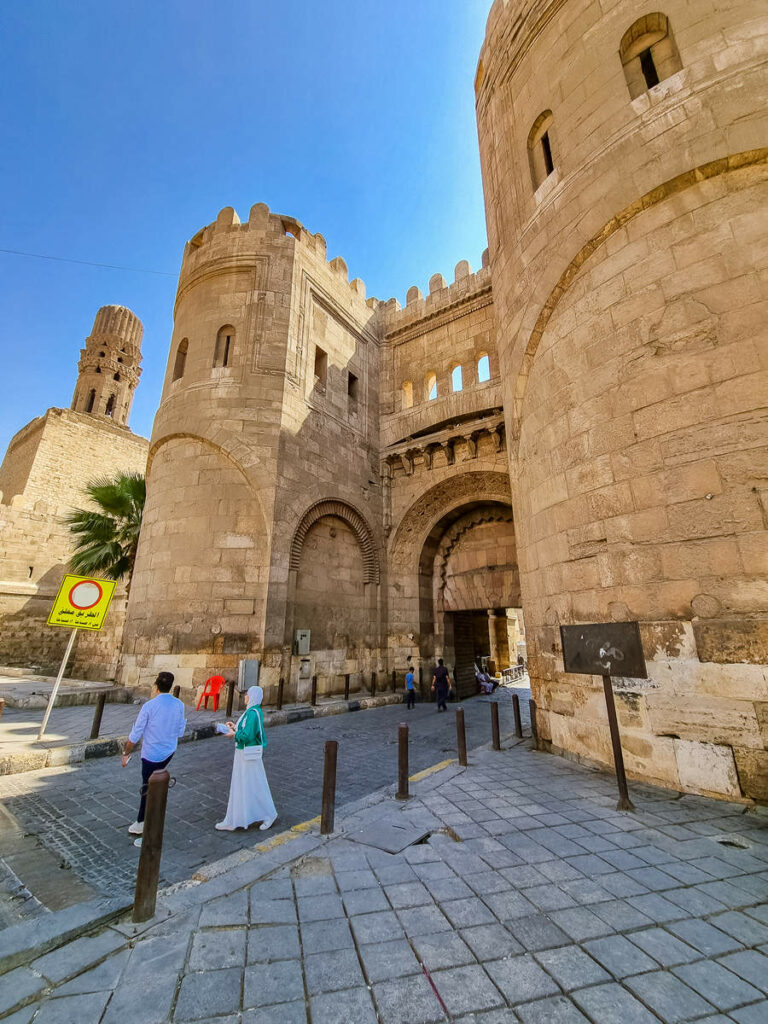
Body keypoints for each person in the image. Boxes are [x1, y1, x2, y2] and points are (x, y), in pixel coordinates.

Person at [122, 671, 186, 847]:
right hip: (168, 752)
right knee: (150, 787)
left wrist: (126, 753)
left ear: (156, 687)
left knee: (149, 791)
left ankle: (149, 831)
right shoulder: (179, 705)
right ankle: (141, 822)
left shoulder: (149, 706)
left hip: (151, 755)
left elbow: (135, 735)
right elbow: (180, 731)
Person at [215, 685, 277, 832]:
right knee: (248, 785)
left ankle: (267, 814)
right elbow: (248, 730)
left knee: (253, 784)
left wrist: (232, 734)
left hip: (247, 754)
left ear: (252, 697)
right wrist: (235, 727)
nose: (245, 697)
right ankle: (240, 818)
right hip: (244, 754)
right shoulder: (252, 712)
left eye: (247, 694)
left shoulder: (253, 713)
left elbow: (248, 735)